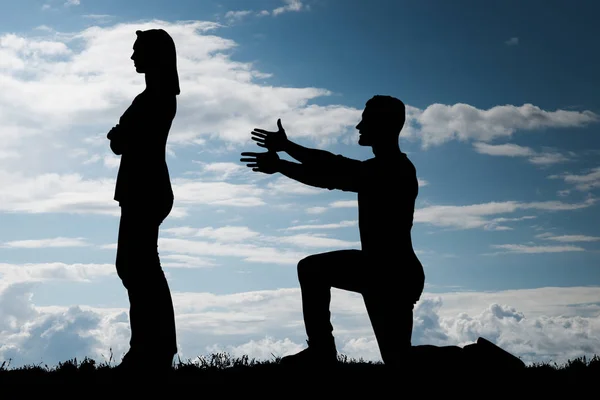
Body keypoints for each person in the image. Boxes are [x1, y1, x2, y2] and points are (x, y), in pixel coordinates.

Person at [240, 95, 425, 368]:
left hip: (390, 273)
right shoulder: (382, 168)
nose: (358, 126)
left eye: (367, 119)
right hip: (384, 271)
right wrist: (282, 162)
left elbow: (334, 169)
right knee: (399, 359)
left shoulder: (393, 169)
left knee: (312, 269)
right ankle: (321, 352)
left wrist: (285, 152)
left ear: (385, 125)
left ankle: (321, 352)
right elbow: (330, 174)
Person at [107, 29, 180, 373]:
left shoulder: (156, 98)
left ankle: (152, 349)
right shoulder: (152, 96)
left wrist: (120, 134)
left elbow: (125, 141)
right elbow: (125, 140)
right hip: (142, 187)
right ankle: (151, 348)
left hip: (145, 188)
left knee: (138, 266)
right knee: (136, 266)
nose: (133, 57)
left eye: (138, 51)